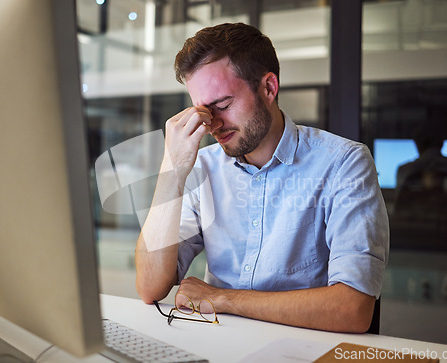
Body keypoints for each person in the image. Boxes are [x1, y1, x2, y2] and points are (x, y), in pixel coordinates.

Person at [135, 22, 389, 333]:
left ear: (268, 87)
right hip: (221, 345)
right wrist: (171, 170)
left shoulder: (344, 163)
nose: (213, 125)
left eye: (223, 105)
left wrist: (224, 299)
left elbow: (352, 309)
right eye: (203, 111)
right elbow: (150, 287)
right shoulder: (202, 165)